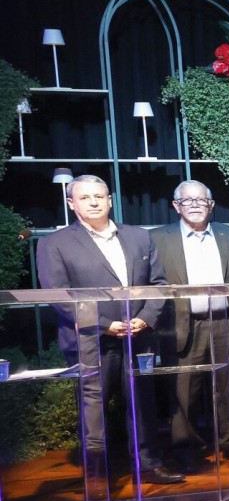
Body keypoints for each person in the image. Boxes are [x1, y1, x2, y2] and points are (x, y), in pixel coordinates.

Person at [36, 174, 179, 483]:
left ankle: (149, 464)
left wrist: (145, 318)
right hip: (91, 339)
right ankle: (97, 473)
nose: (93, 202)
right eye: (85, 197)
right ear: (71, 203)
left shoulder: (139, 237)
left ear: (110, 200)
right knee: (94, 407)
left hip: (138, 335)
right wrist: (104, 325)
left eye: (99, 196)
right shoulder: (54, 243)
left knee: (142, 401)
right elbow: (59, 296)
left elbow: (158, 285)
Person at [149, 180, 229, 468]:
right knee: (184, 390)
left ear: (211, 205)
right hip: (183, 323)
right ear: (176, 206)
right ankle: (186, 449)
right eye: (187, 200)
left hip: (226, 321)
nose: (195, 205)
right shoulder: (157, 238)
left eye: (201, 200)